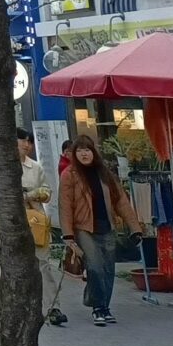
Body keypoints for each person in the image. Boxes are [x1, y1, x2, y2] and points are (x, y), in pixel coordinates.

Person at [59, 134, 145, 327]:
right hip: (83, 228)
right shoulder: (69, 175)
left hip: (106, 227)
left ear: (93, 152)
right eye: (79, 150)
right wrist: (68, 235)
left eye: (87, 150)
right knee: (95, 267)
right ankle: (98, 308)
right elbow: (65, 205)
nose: (84, 154)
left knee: (107, 270)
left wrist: (134, 227)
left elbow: (121, 201)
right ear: (74, 154)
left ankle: (103, 306)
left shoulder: (104, 173)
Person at [18, 129, 66, 327]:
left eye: (30, 142)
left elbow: (47, 192)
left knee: (42, 265)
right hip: (10, 222)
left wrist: (32, 194)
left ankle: (52, 307)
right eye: (23, 141)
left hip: (35, 221)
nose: (27, 145)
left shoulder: (35, 167)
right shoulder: (0, 166)